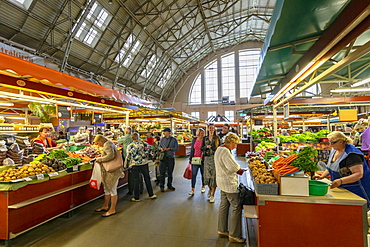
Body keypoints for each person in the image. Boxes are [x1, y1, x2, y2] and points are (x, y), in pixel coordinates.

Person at [314, 131, 370, 209]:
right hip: (342, 188)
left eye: (332, 143)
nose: (330, 145)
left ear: (341, 142)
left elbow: (358, 174)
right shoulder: (335, 150)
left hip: (357, 189)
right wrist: (322, 176)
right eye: (329, 142)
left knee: (360, 211)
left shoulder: (352, 154)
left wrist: (340, 181)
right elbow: (331, 166)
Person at [214, 132, 246, 243]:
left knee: (224, 205)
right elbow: (233, 167)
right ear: (230, 142)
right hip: (229, 183)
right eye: (235, 144)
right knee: (236, 207)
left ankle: (222, 230)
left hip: (221, 182)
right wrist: (241, 169)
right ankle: (234, 235)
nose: (236, 146)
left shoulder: (219, 149)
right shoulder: (225, 151)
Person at [93, 135, 124, 217]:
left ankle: (112, 209)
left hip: (113, 171)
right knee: (107, 188)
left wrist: (100, 159)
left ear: (101, 141)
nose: (97, 145)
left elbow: (111, 156)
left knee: (112, 189)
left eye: (97, 143)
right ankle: (105, 205)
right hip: (110, 171)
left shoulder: (107, 145)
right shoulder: (109, 143)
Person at [126, 132, 157, 202]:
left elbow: (128, 156)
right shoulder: (143, 143)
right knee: (147, 179)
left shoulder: (130, 146)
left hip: (135, 165)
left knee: (136, 181)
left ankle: (136, 197)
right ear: (138, 137)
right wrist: (146, 153)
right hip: (144, 163)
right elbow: (151, 148)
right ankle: (151, 194)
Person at [202, 124, 220, 203]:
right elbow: (201, 148)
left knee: (213, 177)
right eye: (210, 128)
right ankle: (210, 189)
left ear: (215, 129)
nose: (211, 129)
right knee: (207, 176)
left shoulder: (217, 138)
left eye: (213, 128)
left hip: (214, 158)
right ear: (208, 129)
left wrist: (212, 147)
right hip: (206, 159)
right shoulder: (204, 138)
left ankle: (212, 195)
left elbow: (219, 148)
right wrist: (206, 147)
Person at [159, 128, 179, 192]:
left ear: (168, 132)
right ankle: (162, 185)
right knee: (162, 173)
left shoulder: (173, 140)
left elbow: (176, 148)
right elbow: (159, 146)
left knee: (170, 172)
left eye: (165, 132)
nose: (164, 133)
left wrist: (170, 148)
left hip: (170, 157)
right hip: (163, 158)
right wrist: (161, 149)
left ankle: (169, 185)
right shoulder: (162, 139)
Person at [188, 128, 206, 196]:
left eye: (203, 133)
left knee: (203, 174)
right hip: (195, 159)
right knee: (194, 174)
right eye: (201, 133)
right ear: (198, 133)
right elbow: (192, 149)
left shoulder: (205, 140)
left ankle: (203, 186)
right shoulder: (194, 139)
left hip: (202, 160)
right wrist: (190, 159)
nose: (202, 135)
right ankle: (192, 189)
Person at [117, 127, 134, 194]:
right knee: (137, 173)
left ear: (126, 132)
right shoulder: (133, 136)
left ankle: (131, 190)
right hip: (135, 157)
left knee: (131, 173)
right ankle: (140, 188)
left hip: (128, 157)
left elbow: (118, 142)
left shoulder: (125, 137)